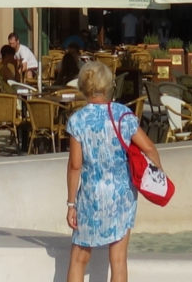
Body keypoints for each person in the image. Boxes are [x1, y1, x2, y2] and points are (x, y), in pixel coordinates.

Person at [64, 58, 161, 282]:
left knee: (79, 258)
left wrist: (71, 204)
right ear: (109, 86)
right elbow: (149, 148)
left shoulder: (78, 120)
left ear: (83, 87)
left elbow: (75, 165)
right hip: (122, 193)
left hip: (91, 194)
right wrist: (157, 175)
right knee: (118, 260)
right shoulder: (123, 115)